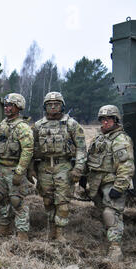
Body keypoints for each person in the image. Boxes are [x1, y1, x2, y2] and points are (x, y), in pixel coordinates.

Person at [82, 105, 134, 262]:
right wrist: (84, 175)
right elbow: (90, 158)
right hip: (97, 182)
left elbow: (126, 166)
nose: (105, 122)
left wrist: (118, 187)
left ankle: (115, 250)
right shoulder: (100, 137)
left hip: (112, 182)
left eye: (109, 119)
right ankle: (111, 237)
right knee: (105, 213)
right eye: (103, 119)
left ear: (116, 120)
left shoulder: (121, 140)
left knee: (111, 214)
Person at [32, 92, 86, 241]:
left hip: (64, 167)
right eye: (49, 104)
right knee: (48, 201)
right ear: (45, 106)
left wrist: (78, 168)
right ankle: (52, 229)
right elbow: (31, 148)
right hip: (44, 168)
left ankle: (60, 232)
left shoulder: (71, 124)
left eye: (56, 104)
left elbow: (81, 148)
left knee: (62, 203)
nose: (53, 106)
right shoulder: (38, 126)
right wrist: (31, 168)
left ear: (62, 106)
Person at [0, 93, 34, 241]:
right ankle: (4, 226)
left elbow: (28, 151)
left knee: (17, 200)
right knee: (1, 198)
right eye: (6, 105)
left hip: (15, 169)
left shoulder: (23, 128)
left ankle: (22, 232)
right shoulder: (1, 125)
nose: (7, 108)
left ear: (18, 107)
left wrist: (20, 172)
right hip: (1, 169)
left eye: (11, 105)